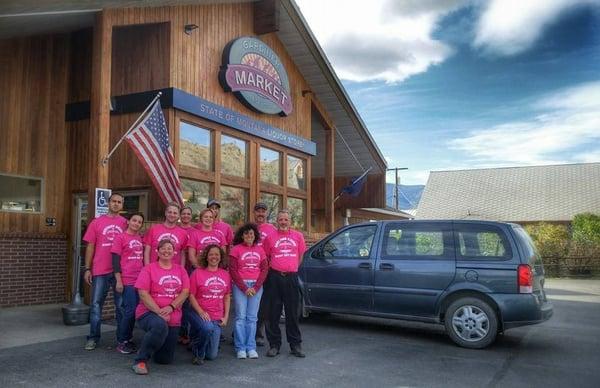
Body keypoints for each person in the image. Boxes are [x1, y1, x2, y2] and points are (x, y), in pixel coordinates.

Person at [132, 239, 190, 375]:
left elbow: (186, 292)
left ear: (174, 252)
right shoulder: (149, 269)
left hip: (173, 315)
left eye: (170, 248)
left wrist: (171, 307)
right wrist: (159, 312)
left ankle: (152, 340)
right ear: (157, 251)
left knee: (164, 359)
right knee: (160, 325)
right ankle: (140, 360)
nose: (166, 251)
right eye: (163, 248)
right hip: (148, 313)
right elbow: (143, 293)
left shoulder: (180, 270)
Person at [83, 192, 128, 351]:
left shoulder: (126, 223)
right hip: (100, 270)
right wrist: (87, 268)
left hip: (119, 272)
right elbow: (90, 246)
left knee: (121, 306)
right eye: (113, 201)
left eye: (119, 202)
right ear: (108, 203)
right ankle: (93, 338)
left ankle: (122, 339)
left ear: (122, 205)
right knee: (96, 305)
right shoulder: (97, 222)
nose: (116, 204)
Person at [262, 209, 307, 358]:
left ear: (290, 222)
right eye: (280, 219)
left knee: (292, 312)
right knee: (273, 313)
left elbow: (300, 256)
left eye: (286, 220)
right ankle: (274, 345)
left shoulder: (298, 236)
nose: (283, 222)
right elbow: (266, 256)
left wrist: (291, 268)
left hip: (291, 277)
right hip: (274, 277)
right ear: (277, 221)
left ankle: (295, 345)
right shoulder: (269, 237)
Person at [229, 223, 269, 359]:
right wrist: (245, 288)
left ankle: (251, 347)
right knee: (241, 317)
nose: (249, 236)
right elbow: (233, 270)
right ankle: (240, 347)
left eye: (251, 234)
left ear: (255, 235)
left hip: (256, 286)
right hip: (241, 286)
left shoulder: (260, 250)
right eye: (246, 233)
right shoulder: (236, 249)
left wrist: (256, 287)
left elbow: (264, 269)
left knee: (252, 318)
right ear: (242, 235)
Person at [188, 244, 231, 364]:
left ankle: (197, 340)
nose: (214, 257)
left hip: (216, 317)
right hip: (198, 313)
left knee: (211, 355)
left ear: (220, 257)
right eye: (211, 254)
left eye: (217, 254)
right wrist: (201, 311)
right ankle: (198, 352)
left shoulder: (225, 274)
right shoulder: (197, 273)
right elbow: (190, 295)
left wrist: (226, 316)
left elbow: (227, 296)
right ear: (206, 257)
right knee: (207, 328)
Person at [111, 212, 145, 354]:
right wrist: (119, 280)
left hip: (139, 280)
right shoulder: (120, 237)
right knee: (129, 311)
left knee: (135, 311)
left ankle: (128, 339)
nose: (136, 223)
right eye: (134, 220)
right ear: (128, 221)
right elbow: (115, 261)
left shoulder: (139, 238)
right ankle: (122, 341)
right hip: (127, 280)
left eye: (139, 222)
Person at [252, 202, 277, 347]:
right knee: (246, 303)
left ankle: (259, 334)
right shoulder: (249, 228)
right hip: (248, 271)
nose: (260, 213)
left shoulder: (272, 230)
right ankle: (241, 333)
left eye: (263, 211)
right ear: (254, 213)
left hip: (265, 272)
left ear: (266, 213)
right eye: (258, 211)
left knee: (263, 304)